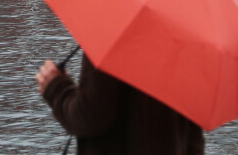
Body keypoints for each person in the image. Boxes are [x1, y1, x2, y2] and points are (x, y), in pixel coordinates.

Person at [36, 54, 205, 154]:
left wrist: (56, 87)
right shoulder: (188, 39)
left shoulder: (110, 29)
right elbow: (193, 137)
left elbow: (90, 117)